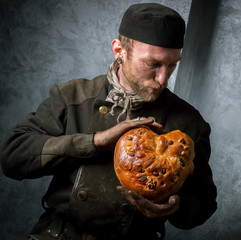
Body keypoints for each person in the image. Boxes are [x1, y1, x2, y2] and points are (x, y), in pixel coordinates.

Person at [0, 3, 217, 240]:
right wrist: (96, 142)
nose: (163, 78)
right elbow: (12, 157)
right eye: (152, 64)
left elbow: (204, 203)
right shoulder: (72, 95)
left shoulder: (189, 123)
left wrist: (176, 206)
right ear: (119, 50)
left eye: (172, 64)